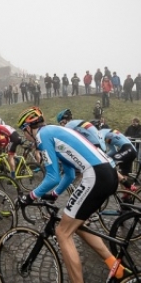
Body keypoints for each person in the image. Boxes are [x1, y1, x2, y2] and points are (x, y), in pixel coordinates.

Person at [16, 107, 130, 282]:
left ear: (29, 128)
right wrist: (54, 195)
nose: (25, 136)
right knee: (76, 224)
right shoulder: (56, 131)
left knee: (63, 232)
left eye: (24, 131)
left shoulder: (42, 135)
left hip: (96, 176)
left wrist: (29, 196)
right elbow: (68, 174)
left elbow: (53, 177)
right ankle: (117, 267)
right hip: (109, 173)